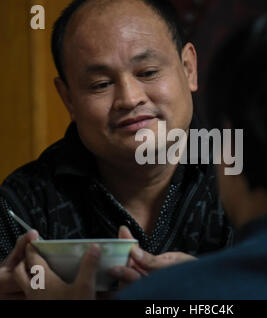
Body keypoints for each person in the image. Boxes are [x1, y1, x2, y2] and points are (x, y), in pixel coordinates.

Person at [0, 0, 233, 299]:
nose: (130, 98)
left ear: (188, 68)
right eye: (100, 84)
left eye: (147, 72)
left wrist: (214, 291)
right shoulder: (23, 205)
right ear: (68, 98)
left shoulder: (252, 179)